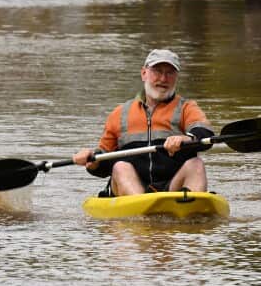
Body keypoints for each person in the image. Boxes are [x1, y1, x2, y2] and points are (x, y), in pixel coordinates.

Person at [72, 49, 215, 196]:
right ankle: (143, 215)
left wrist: (187, 138)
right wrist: (92, 159)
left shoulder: (187, 107)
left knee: (196, 165)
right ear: (144, 74)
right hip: (133, 192)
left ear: (176, 77)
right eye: (157, 71)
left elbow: (205, 135)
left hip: (172, 188)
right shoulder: (120, 113)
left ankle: (192, 211)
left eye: (170, 73)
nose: (163, 79)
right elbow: (104, 165)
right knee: (120, 167)